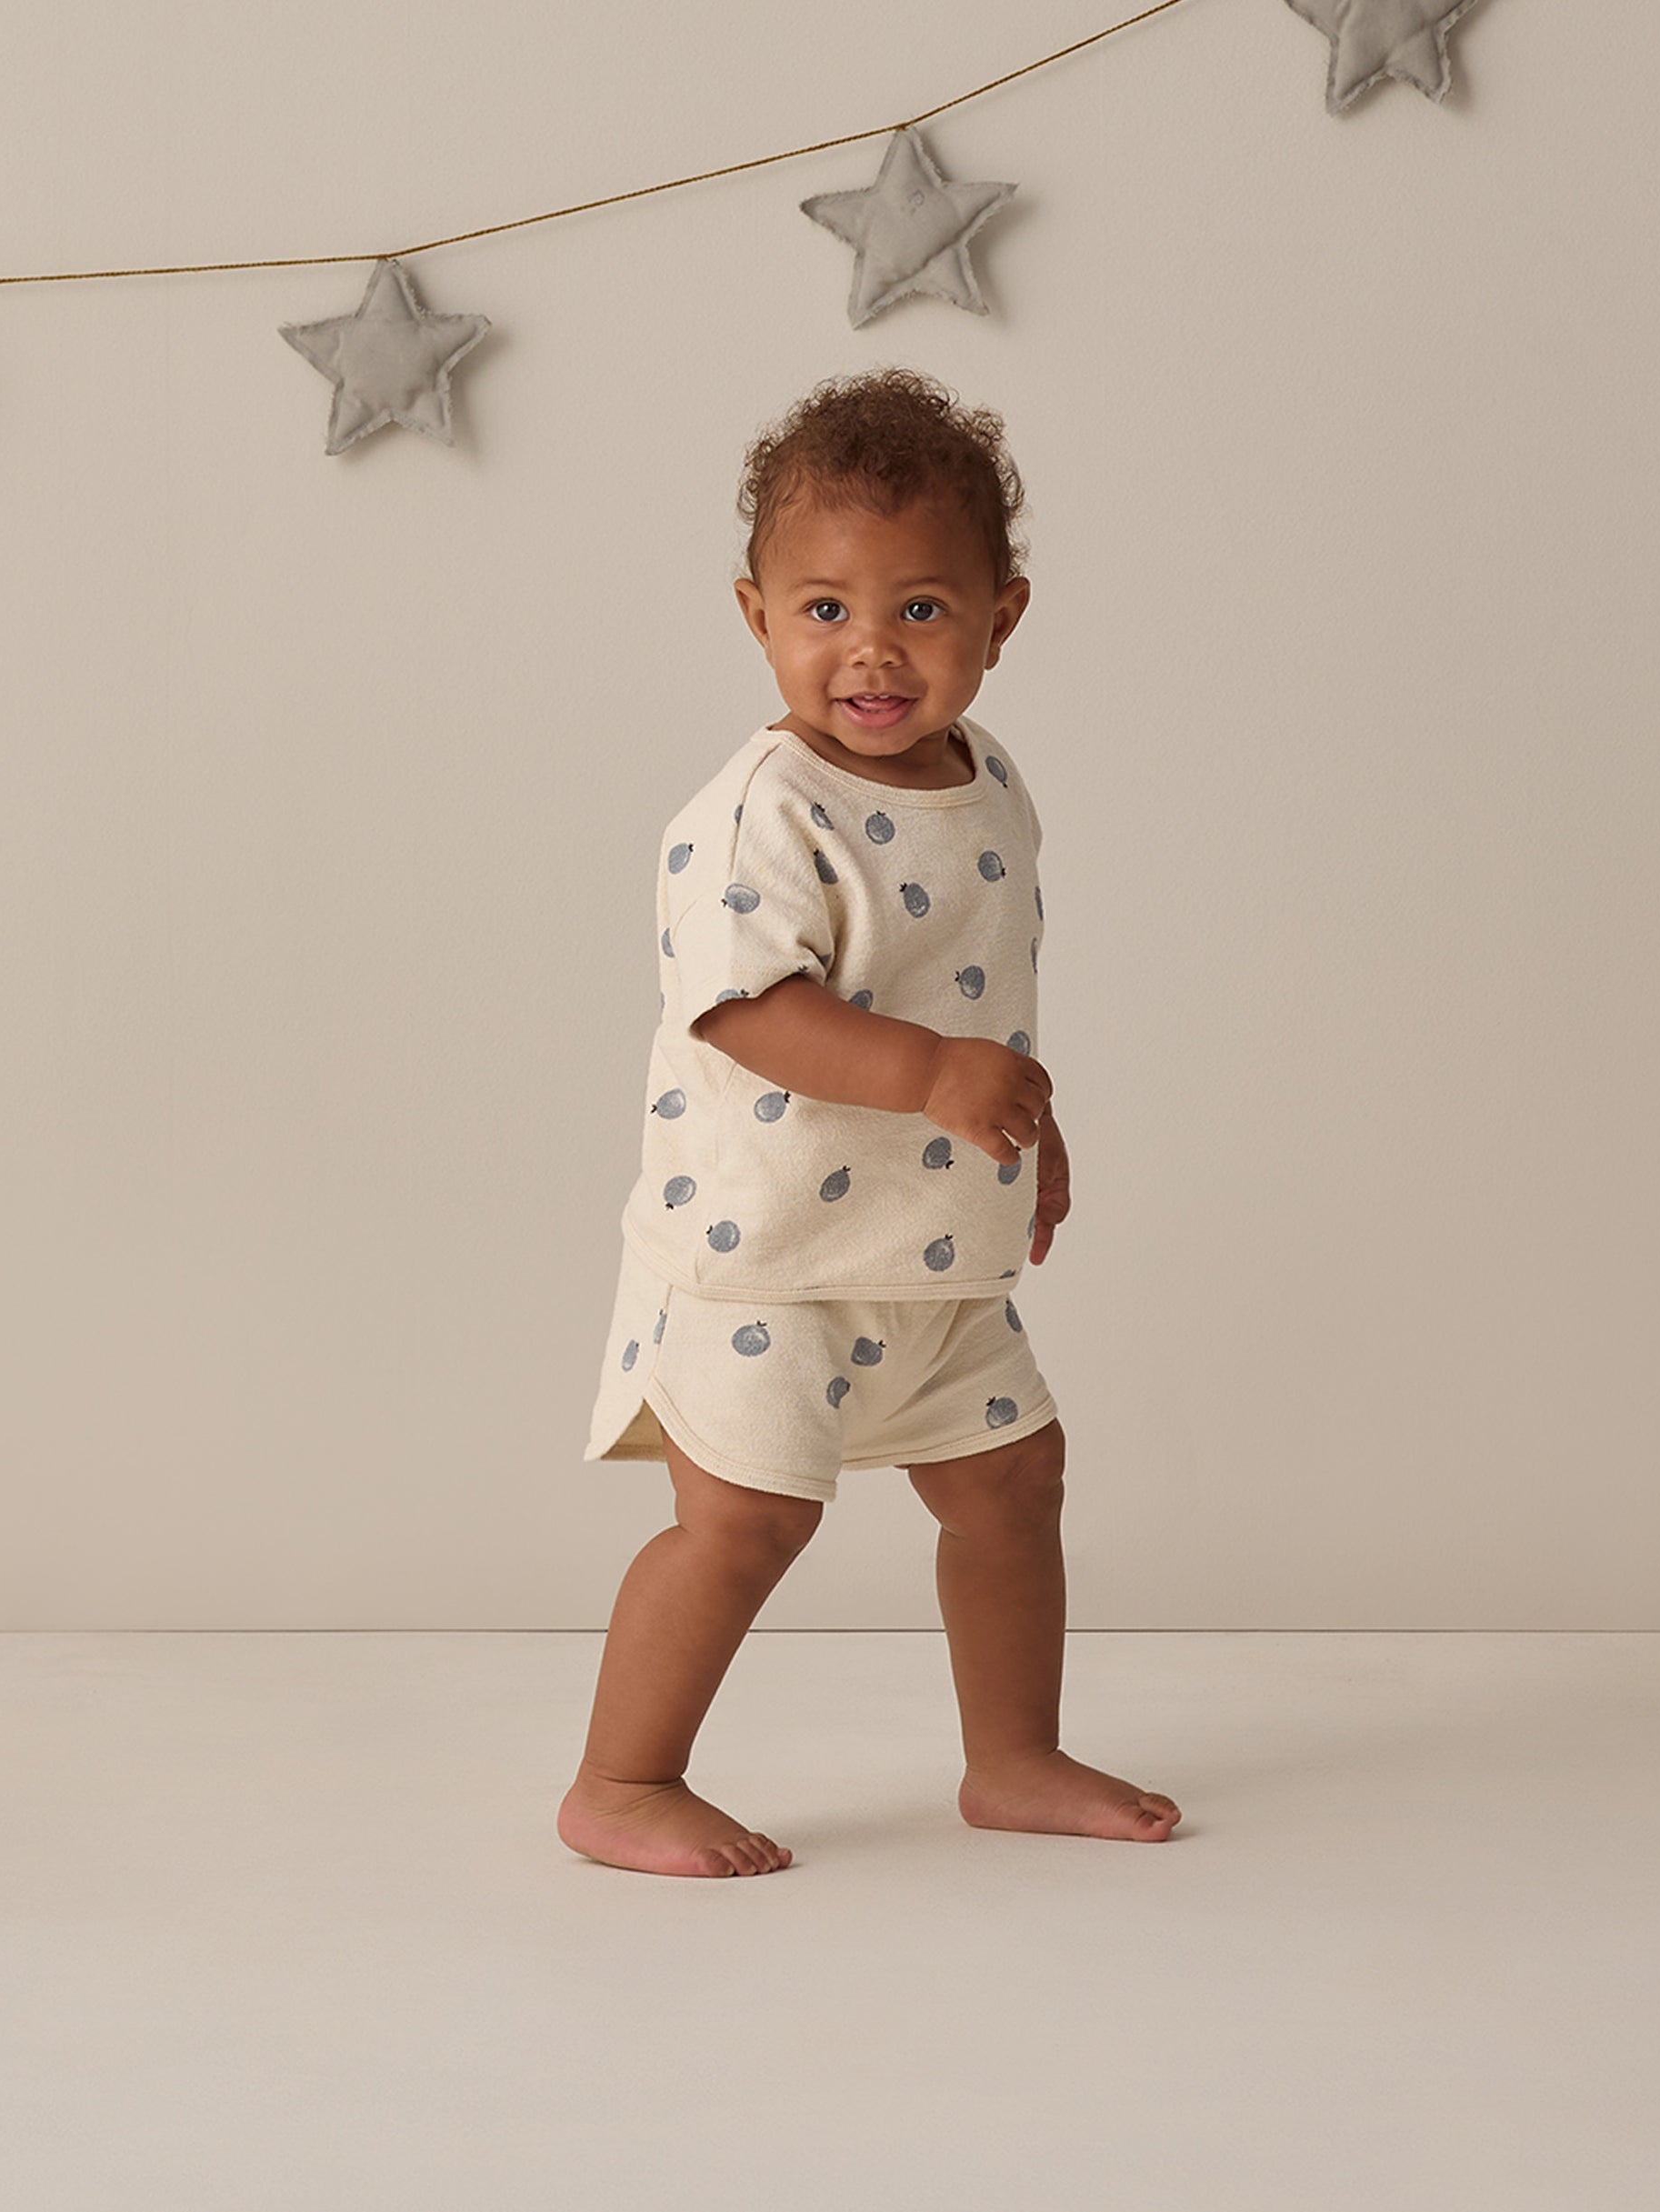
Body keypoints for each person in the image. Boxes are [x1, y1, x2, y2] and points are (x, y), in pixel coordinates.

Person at [560, 367, 1182, 1877]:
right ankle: (621, 1779)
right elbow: (741, 1009)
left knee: (1013, 1483)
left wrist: (1020, 1124)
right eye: (825, 608)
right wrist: (929, 1077)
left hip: (929, 1246)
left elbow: (981, 1006)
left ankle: (1012, 1755)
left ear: (1000, 618)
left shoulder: (990, 781)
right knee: (745, 1523)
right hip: (767, 1253)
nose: (872, 649)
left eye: (920, 608)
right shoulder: (759, 812)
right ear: (755, 614)